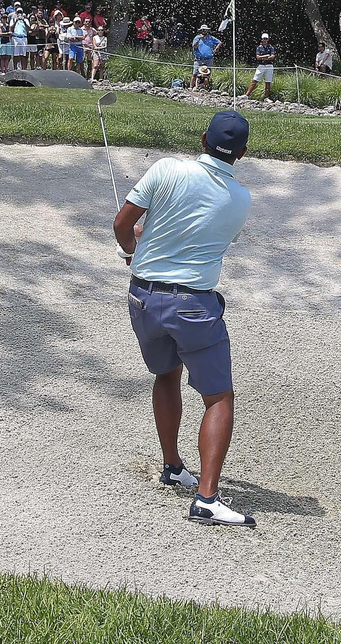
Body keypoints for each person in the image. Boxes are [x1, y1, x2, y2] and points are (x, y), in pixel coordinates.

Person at [113, 110, 257, 528]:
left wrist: (131, 249)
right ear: (242, 154)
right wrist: (143, 243)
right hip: (193, 306)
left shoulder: (165, 170)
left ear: (202, 139)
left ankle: (173, 466)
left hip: (143, 299)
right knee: (219, 398)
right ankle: (207, 499)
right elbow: (199, 239)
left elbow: (123, 224)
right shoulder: (241, 200)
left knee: (166, 375)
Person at [244, 32, 276, 100]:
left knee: (268, 82)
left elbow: (272, 56)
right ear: (262, 39)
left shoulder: (271, 47)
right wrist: (266, 56)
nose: (265, 40)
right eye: (264, 38)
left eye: (266, 39)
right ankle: (247, 95)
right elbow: (258, 57)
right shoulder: (259, 47)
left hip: (269, 66)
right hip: (261, 66)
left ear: (268, 39)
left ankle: (266, 98)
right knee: (255, 80)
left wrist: (263, 57)